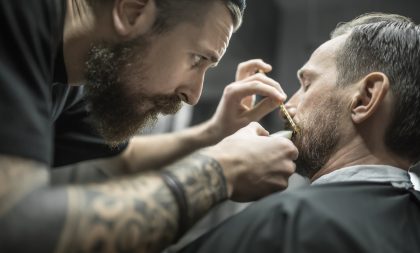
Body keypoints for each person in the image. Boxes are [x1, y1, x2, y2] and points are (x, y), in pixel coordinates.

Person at [0, 0, 300, 252]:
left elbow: (121, 156)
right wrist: (222, 171)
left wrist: (214, 132)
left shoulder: (71, 80)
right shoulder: (15, 17)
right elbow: (16, 224)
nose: (193, 95)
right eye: (197, 58)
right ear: (132, 12)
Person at [178, 13, 420, 253]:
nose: (288, 106)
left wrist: (218, 167)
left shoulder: (284, 222)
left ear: (365, 98)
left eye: (306, 84)